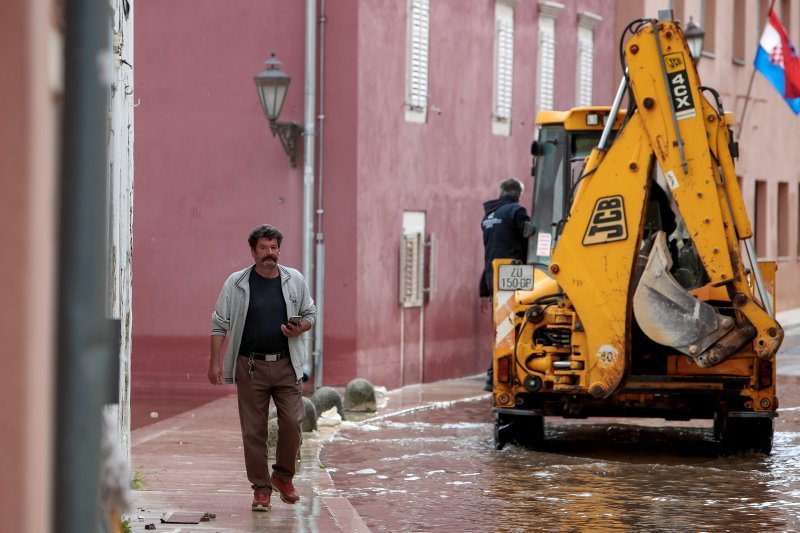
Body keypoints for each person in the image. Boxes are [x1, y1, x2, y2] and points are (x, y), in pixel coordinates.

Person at [208, 224, 316, 512]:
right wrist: (214, 362)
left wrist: (300, 328)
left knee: (292, 423)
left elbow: (310, 314)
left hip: (286, 364)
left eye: (274, 248)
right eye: (264, 248)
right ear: (253, 251)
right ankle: (261, 488)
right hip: (250, 366)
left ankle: (282, 476)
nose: (270, 253)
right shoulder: (237, 283)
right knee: (253, 432)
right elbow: (219, 322)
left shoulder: (295, 280)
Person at [480, 177, 534, 390]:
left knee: (502, 328)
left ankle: (492, 376)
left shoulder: (488, 215)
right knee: (516, 327)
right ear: (518, 194)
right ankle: (494, 376)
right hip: (513, 273)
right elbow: (528, 232)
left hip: (492, 274)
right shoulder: (516, 211)